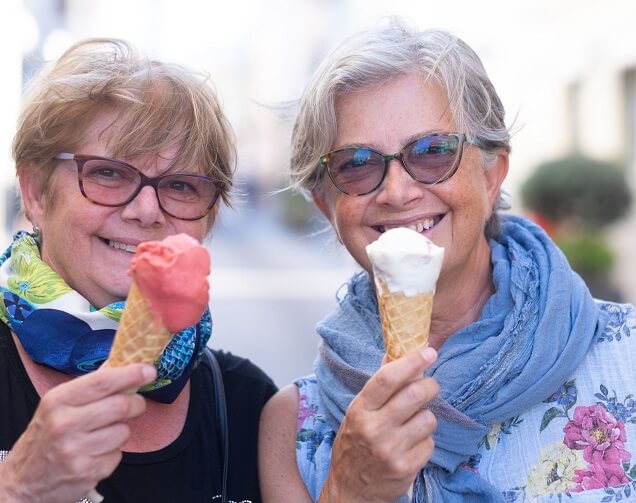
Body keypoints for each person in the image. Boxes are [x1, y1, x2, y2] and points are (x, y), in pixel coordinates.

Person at [259, 20, 636, 502]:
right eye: (356, 163)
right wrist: (347, 491)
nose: (397, 191)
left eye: (433, 151)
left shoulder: (625, 357)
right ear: (325, 205)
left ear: (491, 174)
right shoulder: (291, 426)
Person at [0, 38, 276, 503]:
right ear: (35, 194)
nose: (147, 210)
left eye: (181, 185)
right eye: (109, 173)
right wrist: (18, 490)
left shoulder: (248, 403)